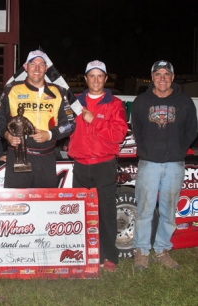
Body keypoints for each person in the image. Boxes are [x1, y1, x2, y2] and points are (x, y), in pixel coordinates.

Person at [131, 60, 197, 271]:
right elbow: (137, 129)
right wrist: (146, 151)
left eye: (166, 74)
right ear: (152, 77)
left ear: (172, 77)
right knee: (144, 210)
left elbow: (192, 130)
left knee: (169, 210)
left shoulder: (185, 102)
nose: (162, 78)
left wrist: (179, 149)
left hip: (174, 164)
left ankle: (162, 250)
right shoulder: (142, 101)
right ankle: (141, 251)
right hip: (148, 163)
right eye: (158, 74)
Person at [67, 60, 128, 272]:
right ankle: (82, 254)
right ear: (85, 79)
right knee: (80, 213)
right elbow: (62, 126)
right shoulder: (74, 102)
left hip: (104, 166)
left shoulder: (115, 104)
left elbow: (119, 134)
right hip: (81, 166)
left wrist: (95, 120)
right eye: (91, 76)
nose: (95, 80)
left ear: (105, 78)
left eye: (99, 76)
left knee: (106, 213)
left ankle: (109, 255)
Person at [0, 50, 76, 188]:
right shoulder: (11, 89)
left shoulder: (59, 91)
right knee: (17, 205)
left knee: (44, 205)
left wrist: (50, 134)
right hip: (18, 156)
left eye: (41, 64)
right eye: (33, 64)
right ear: (26, 67)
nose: (37, 68)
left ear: (46, 68)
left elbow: (70, 123)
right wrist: (6, 134)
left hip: (46, 158)